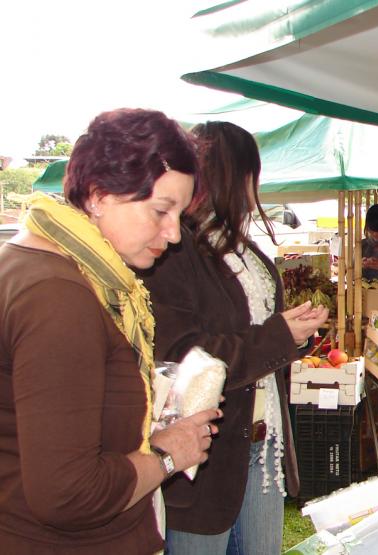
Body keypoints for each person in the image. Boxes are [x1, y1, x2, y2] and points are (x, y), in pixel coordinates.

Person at [0, 109, 220, 553]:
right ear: (99, 194)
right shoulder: (59, 296)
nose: (174, 234)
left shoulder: (31, 264)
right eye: (161, 210)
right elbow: (68, 494)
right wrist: (165, 454)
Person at [140, 121, 329, 554]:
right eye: (251, 175)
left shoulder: (243, 246)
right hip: (207, 458)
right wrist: (278, 335)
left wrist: (292, 334)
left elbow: (256, 333)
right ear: (233, 174)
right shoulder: (174, 249)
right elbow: (182, 356)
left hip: (262, 445)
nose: (254, 189)